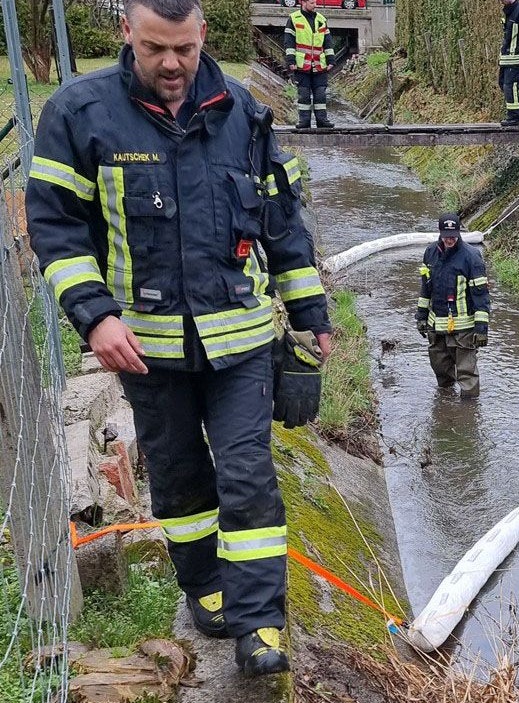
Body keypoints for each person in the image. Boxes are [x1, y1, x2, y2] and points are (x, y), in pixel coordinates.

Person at [25, 0, 331, 677]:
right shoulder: (80, 115)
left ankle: (262, 625)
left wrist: (309, 311)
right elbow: (55, 224)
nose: (171, 65)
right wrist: (96, 314)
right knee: (180, 479)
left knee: (249, 476)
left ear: (202, 37)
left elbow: (281, 219)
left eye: (185, 50)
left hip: (242, 343)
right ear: (127, 33)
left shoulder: (242, 113)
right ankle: (205, 589)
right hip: (148, 348)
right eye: (156, 49)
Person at [415, 214, 490, 397]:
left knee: (467, 372)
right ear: (440, 233)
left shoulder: (471, 257)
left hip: (464, 328)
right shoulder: (430, 253)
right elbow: (425, 288)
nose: (450, 239)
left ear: (459, 234)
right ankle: (445, 404)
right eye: (446, 235)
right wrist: (421, 316)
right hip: (437, 325)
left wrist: (481, 329)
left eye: (453, 235)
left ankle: (469, 413)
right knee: (440, 367)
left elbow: (481, 295)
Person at [285, 0, 335, 129]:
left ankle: (322, 120)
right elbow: (289, 42)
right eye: (312, 3)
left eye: (316, 2)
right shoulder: (294, 19)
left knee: (320, 95)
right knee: (304, 95)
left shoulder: (321, 19)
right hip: (302, 65)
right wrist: (291, 60)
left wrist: (331, 60)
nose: (315, 5)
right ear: (304, 2)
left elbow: (328, 42)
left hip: (319, 65)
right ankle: (304, 121)